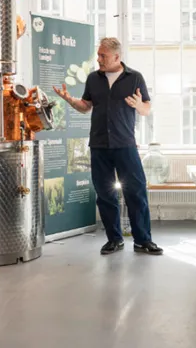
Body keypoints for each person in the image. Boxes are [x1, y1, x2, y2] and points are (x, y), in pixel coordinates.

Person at [52, 37, 163, 256]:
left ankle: (143, 240)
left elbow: (146, 109)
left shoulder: (135, 78)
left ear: (116, 57)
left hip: (125, 145)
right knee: (104, 194)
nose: (99, 59)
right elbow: (86, 107)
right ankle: (114, 239)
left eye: (103, 55)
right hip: (99, 145)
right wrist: (69, 100)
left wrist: (139, 105)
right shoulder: (93, 78)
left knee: (136, 192)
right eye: (98, 54)